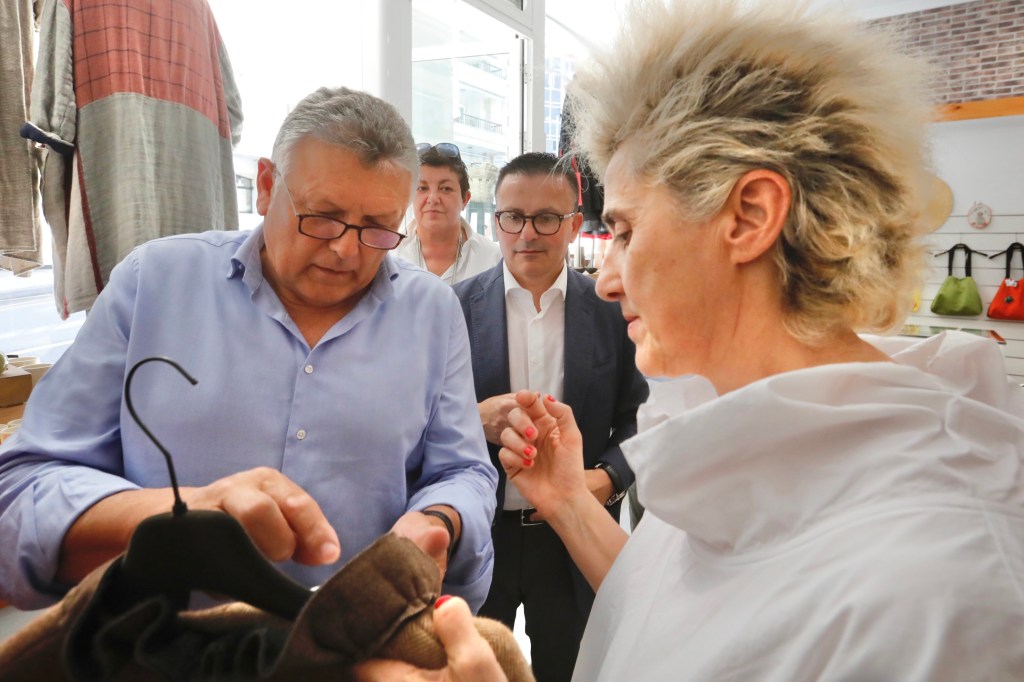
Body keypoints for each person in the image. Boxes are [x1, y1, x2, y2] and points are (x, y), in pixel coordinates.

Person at [360, 0, 1024, 679]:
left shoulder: (939, 590)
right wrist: (566, 501)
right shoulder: (742, 428)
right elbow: (682, 613)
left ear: (750, 216)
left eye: (625, 231)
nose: (606, 280)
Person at [0, 86, 498, 612]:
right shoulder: (154, 285)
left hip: (357, 639)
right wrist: (178, 516)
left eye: (377, 229)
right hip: (158, 643)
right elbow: (24, 487)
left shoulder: (432, 312)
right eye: (322, 216)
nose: (345, 249)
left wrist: (440, 519)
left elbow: (462, 470)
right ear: (265, 186)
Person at [452, 152, 648, 682]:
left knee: (571, 669)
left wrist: (606, 479)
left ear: (574, 223)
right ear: (495, 220)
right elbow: (420, 420)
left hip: (573, 536)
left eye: (545, 218)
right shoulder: (453, 308)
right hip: (482, 530)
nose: (527, 234)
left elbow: (640, 417)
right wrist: (475, 417)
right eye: (512, 217)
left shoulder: (612, 310)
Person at [395, 143, 501, 285]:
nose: (433, 198)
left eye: (445, 188)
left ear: (465, 199)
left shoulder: (493, 260)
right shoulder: (389, 256)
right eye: (422, 188)